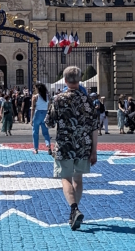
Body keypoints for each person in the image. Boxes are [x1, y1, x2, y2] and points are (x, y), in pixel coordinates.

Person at [46, 66, 99, 231]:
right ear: (79, 80)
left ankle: (74, 209)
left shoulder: (58, 99)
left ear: (65, 80)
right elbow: (94, 128)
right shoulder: (88, 100)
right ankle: (74, 211)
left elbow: (49, 122)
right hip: (83, 145)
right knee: (78, 180)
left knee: (65, 178)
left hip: (65, 144)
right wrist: (94, 151)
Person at [31, 84, 52, 154]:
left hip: (37, 114)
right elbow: (49, 107)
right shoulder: (47, 97)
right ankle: (48, 146)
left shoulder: (35, 97)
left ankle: (36, 149)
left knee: (35, 132)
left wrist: (31, 118)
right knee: (46, 132)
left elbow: (33, 108)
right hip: (45, 114)